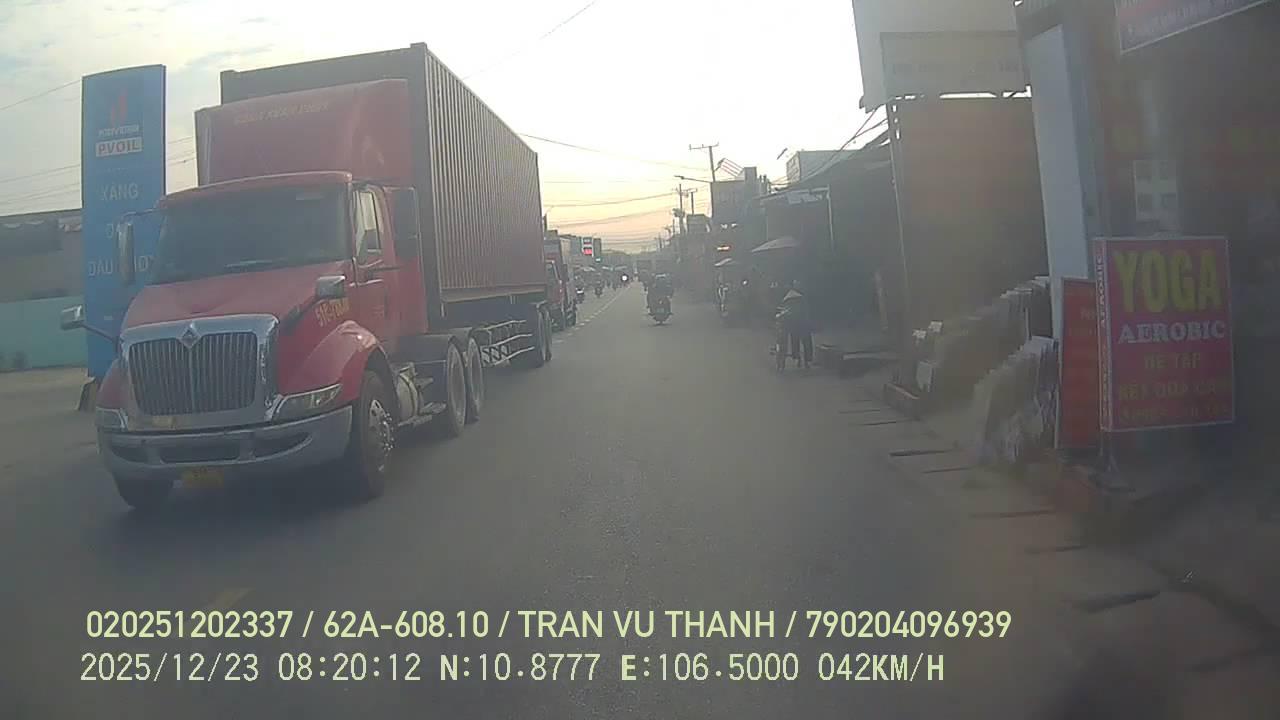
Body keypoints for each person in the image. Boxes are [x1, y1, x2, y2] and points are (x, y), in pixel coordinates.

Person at [778, 283, 814, 369]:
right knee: (806, 342)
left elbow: (785, 313)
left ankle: (798, 359)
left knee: (795, 341)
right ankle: (806, 361)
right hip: (803, 324)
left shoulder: (788, 301)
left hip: (795, 325)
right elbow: (806, 313)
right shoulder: (802, 300)